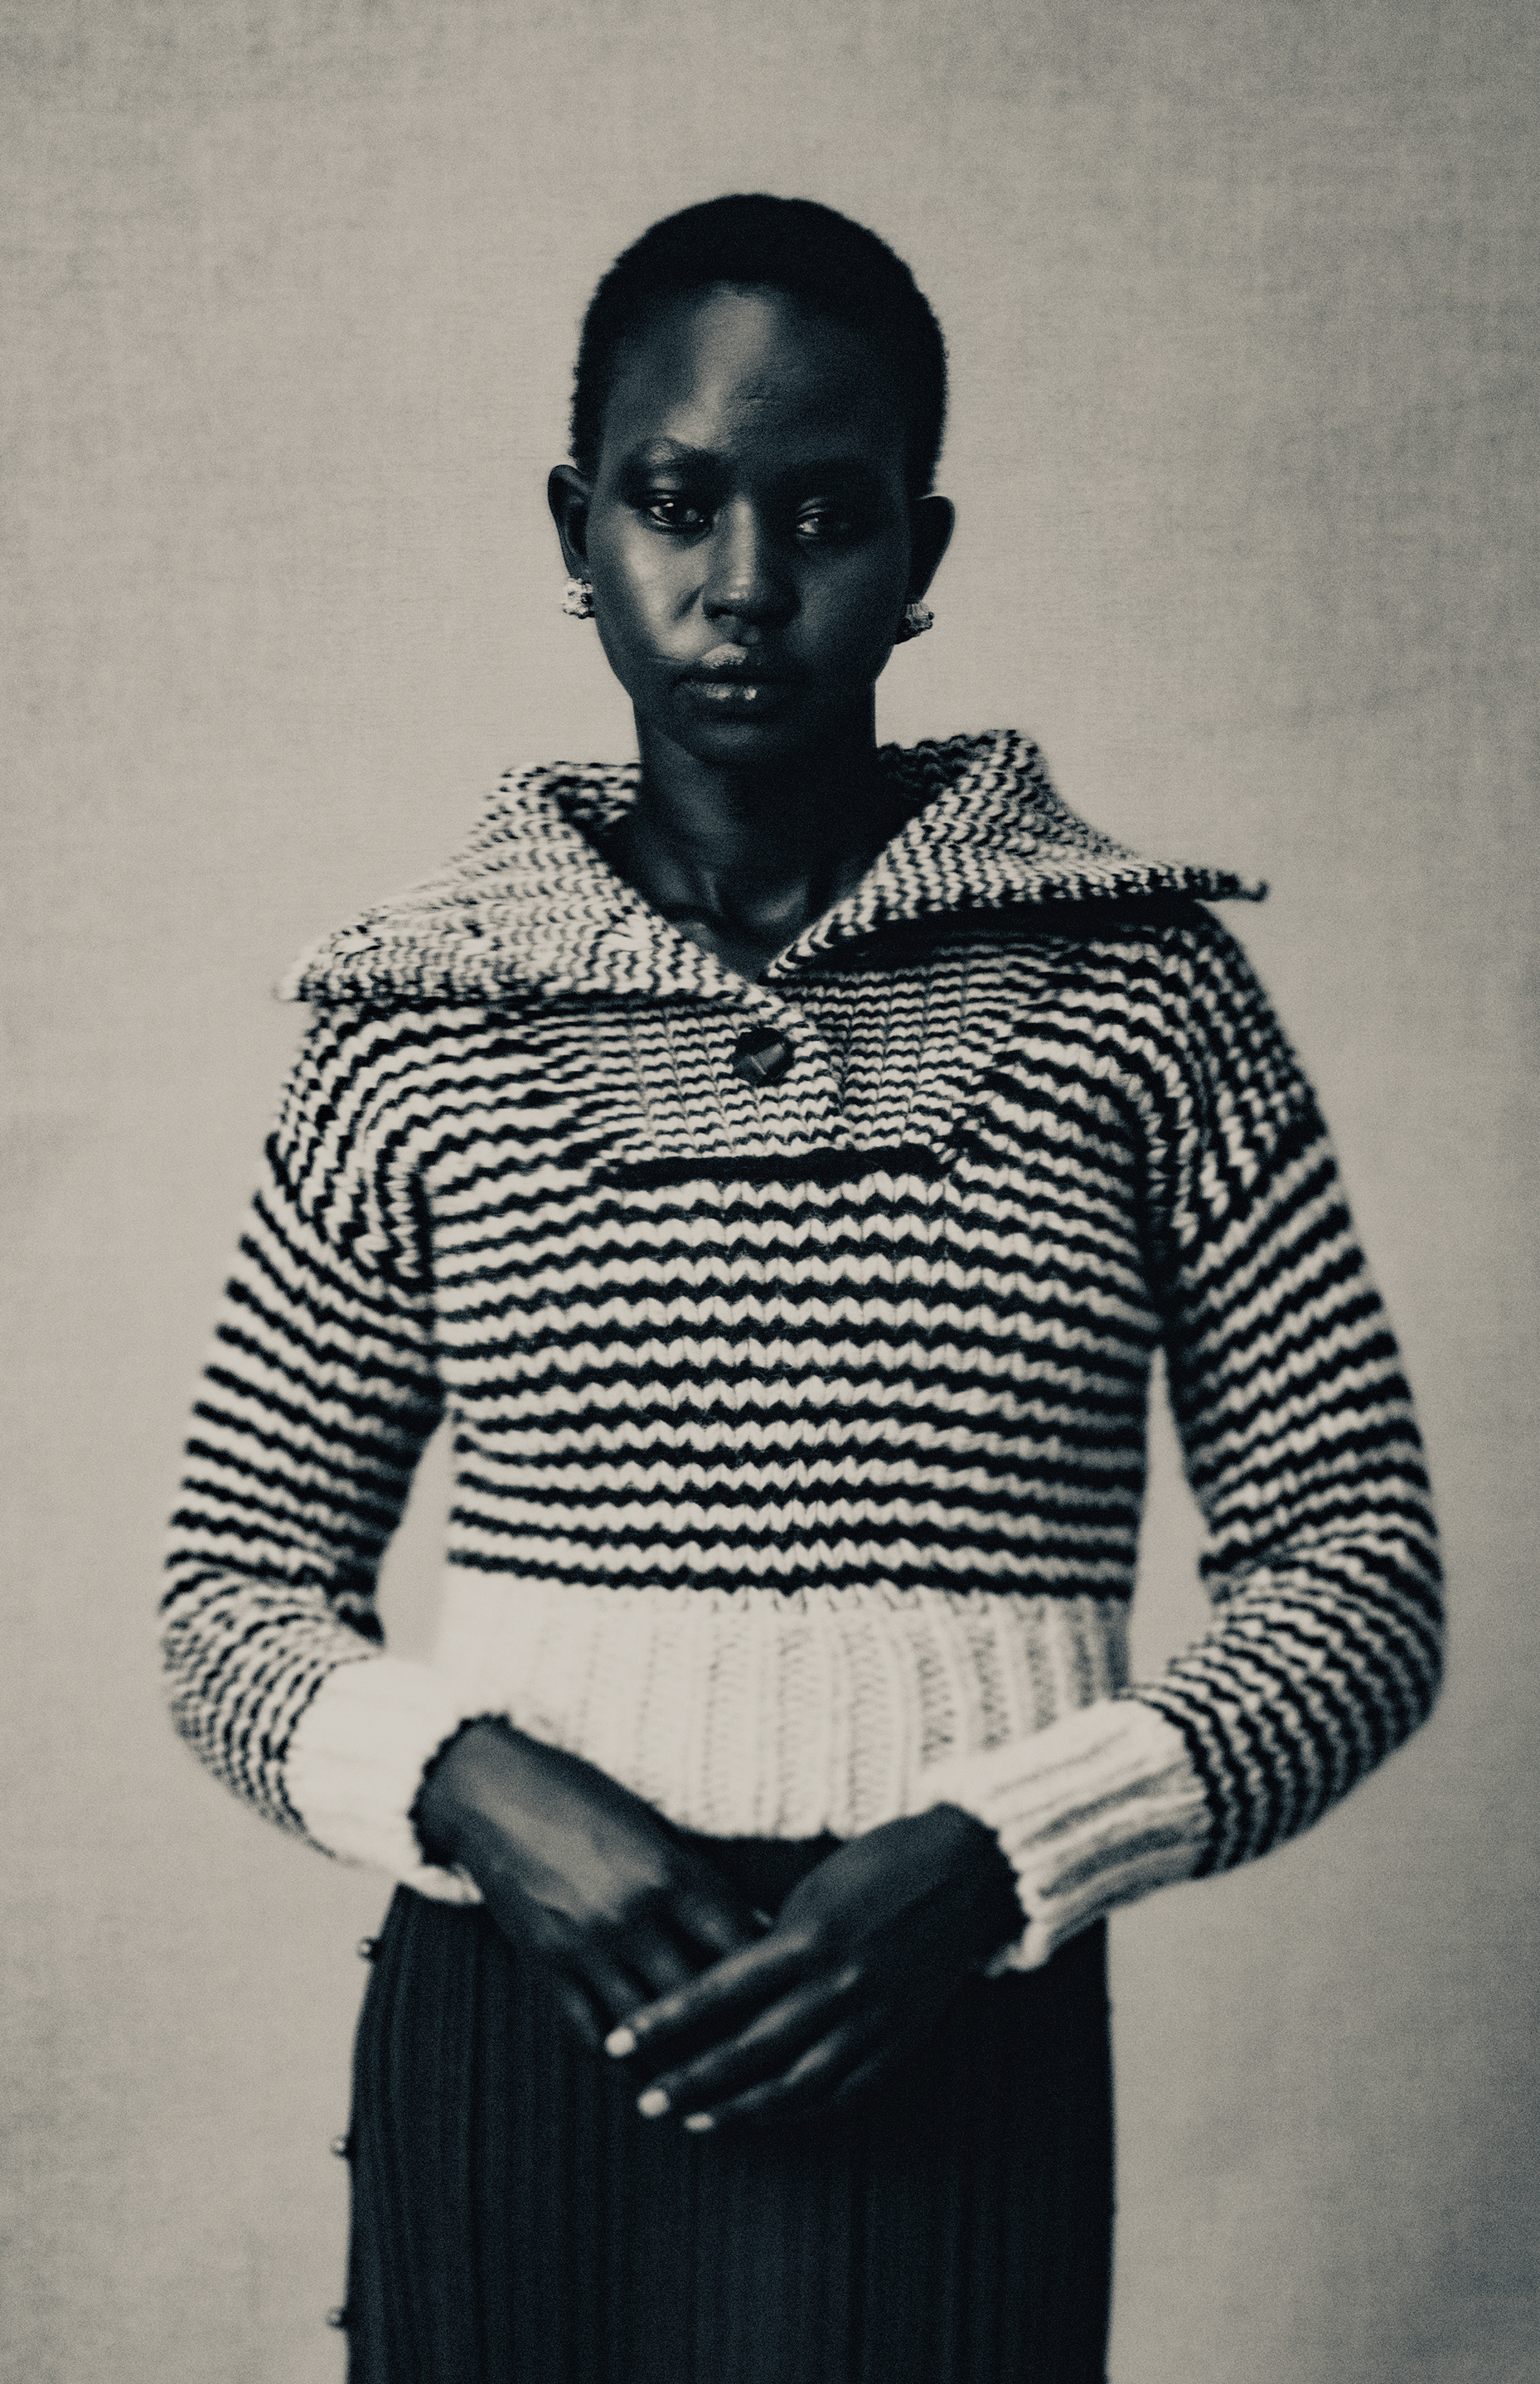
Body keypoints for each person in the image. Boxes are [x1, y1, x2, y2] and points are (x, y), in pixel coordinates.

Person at [162, 195, 1443, 2384]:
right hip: (520, 2016)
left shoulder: (1141, 999)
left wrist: (1006, 1846)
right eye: (676, 501)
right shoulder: (414, 1017)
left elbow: (1361, 1579)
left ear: (923, 552)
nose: (748, 581)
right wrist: (475, 1786)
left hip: (946, 2026)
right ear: (576, 528)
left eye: (829, 513)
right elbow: (229, 1596)